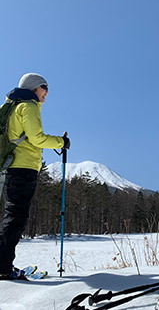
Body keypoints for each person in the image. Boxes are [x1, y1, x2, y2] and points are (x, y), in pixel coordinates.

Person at [0, 73, 70, 280]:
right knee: (15, 218)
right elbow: (37, 138)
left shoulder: (12, 106)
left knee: (12, 215)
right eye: (44, 87)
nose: (47, 92)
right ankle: (3, 267)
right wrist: (62, 142)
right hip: (23, 167)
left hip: (11, 166)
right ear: (33, 88)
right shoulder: (28, 106)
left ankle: (3, 264)